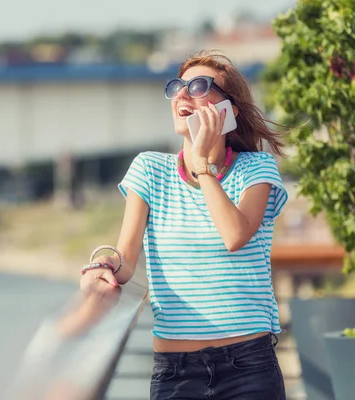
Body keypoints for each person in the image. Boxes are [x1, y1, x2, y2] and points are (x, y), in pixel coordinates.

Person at [80, 51, 288, 400]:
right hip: (176, 371)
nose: (182, 95)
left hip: (249, 367)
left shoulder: (257, 169)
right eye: (177, 87)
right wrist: (102, 267)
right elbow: (127, 257)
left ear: (230, 109)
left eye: (199, 86)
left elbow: (234, 235)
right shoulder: (148, 169)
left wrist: (204, 167)